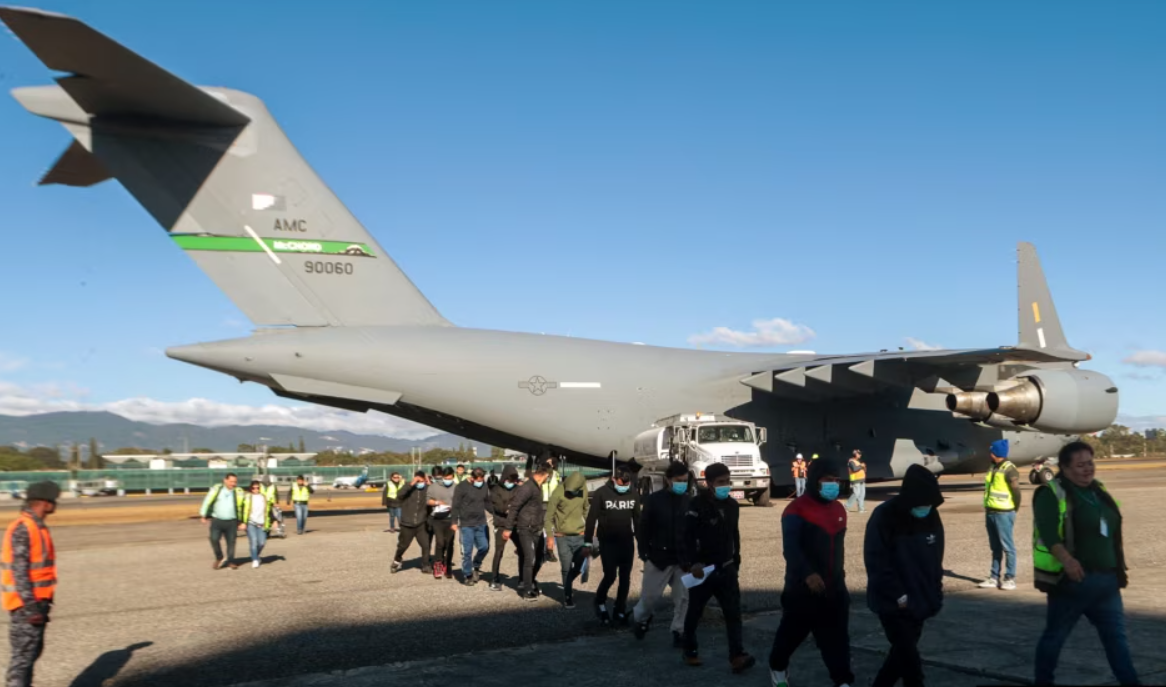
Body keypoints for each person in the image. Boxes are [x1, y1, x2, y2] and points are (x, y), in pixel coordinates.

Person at [1032, 441, 1138, 686]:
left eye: (1090, 463)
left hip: (1107, 583)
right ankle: (1043, 681)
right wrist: (1068, 561)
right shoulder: (1051, 493)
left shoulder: (1097, 490)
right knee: (1055, 637)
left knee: (1117, 640)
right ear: (1065, 468)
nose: (1087, 469)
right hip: (1073, 583)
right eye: (1080, 465)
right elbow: (1048, 535)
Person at [769, 458, 854, 687]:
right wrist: (808, 574)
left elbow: (838, 550)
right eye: (828, 480)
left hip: (834, 588)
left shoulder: (838, 509)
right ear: (815, 481)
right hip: (802, 590)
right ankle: (777, 668)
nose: (833, 484)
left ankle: (843, 681)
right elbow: (791, 549)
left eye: (836, 480)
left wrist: (839, 581)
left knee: (837, 641)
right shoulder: (795, 510)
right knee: (790, 636)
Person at [864, 464, 946, 687]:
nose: (925, 508)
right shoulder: (885, 516)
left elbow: (935, 557)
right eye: (922, 504)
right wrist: (898, 595)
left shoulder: (931, 515)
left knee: (900, 658)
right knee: (910, 663)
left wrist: (936, 590)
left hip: (921, 600)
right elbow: (876, 561)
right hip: (894, 603)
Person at [679, 463, 755, 673]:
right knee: (695, 612)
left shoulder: (732, 505)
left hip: (727, 568)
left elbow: (734, 534)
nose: (726, 486)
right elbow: (686, 536)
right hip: (703, 570)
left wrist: (736, 559)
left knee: (733, 613)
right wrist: (692, 562)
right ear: (709, 483)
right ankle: (690, 650)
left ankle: (737, 655)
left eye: (727, 481)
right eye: (721, 482)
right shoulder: (697, 504)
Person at [2, 481, 60, 687]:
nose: (56, 504)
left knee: (30, 654)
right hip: (27, 606)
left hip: (37, 603)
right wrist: (31, 607)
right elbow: (20, 571)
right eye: (54, 500)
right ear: (44, 503)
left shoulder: (37, 527)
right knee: (22, 659)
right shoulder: (24, 528)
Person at [633, 461, 691, 648]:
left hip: (682, 560)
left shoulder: (689, 501)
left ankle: (679, 630)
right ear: (668, 480)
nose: (682, 483)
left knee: (683, 598)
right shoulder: (654, 500)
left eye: (685, 480)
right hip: (658, 558)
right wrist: (644, 552)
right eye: (678, 480)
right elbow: (643, 528)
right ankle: (641, 619)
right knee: (649, 598)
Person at [585, 465, 642, 627]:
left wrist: (642, 544)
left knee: (625, 578)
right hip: (608, 542)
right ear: (613, 479)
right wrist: (588, 541)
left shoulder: (633, 494)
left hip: (626, 542)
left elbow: (638, 521)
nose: (624, 486)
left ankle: (620, 608)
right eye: (621, 482)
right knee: (610, 575)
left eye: (627, 483)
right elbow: (591, 519)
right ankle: (600, 601)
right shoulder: (601, 493)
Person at [501, 462, 551, 601]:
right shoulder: (527, 488)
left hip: (536, 527)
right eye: (548, 477)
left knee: (540, 557)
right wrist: (508, 528)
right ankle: (526, 589)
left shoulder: (537, 487)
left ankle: (530, 580)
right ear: (545, 476)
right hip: (525, 528)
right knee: (530, 558)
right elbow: (514, 508)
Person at [545, 469, 590, 608]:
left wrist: (591, 529)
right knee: (565, 567)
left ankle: (568, 584)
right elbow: (548, 517)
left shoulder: (583, 490)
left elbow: (586, 510)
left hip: (580, 536)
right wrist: (550, 537)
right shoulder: (558, 492)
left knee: (579, 566)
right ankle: (568, 596)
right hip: (562, 537)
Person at [979, 438, 1021, 591]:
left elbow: (1016, 492)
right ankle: (993, 577)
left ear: (996, 453)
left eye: (991, 451)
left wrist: (1013, 509)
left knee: (1008, 547)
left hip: (1004, 513)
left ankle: (1010, 578)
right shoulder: (993, 467)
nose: (989, 453)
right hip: (990, 512)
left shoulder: (1010, 469)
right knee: (995, 547)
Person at [452, 468, 492, 586]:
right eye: (478, 480)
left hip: (481, 522)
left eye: (482, 479)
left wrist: (497, 513)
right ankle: (467, 574)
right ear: (472, 478)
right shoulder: (461, 487)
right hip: (466, 524)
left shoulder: (484, 485)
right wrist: (454, 521)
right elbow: (456, 505)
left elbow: (487, 502)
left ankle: (476, 565)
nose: (481, 482)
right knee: (467, 552)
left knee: (484, 547)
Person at [489, 465, 525, 591]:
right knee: (499, 551)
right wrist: (510, 508)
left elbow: (520, 504)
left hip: (515, 524)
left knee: (522, 551)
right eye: (510, 480)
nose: (512, 483)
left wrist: (512, 508)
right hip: (501, 524)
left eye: (514, 480)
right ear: (505, 478)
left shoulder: (518, 489)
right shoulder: (495, 490)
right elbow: (499, 507)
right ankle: (494, 578)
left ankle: (522, 579)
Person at [199, 473, 245, 570]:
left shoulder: (238, 492)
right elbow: (207, 501)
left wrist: (242, 522)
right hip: (217, 521)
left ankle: (231, 561)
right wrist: (203, 514)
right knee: (214, 539)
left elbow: (243, 507)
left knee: (231, 542)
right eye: (231, 481)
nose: (233, 484)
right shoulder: (217, 489)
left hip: (232, 521)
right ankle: (219, 557)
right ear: (225, 480)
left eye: (235, 482)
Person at [391, 471, 432, 574]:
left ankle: (425, 565)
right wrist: (411, 484)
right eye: (418, 481)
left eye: (421, 481)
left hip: (421, 523)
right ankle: (397, 559)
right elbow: (399, 495)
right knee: (403, 546)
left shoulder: (426, 489)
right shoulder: (408, 487)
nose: (420, 483)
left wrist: (428, 481)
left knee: (426, 545)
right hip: (407, 524)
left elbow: (434, 493)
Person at [428, 467, 458, 580]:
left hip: (451, 519)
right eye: (445, 478)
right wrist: (437, 502)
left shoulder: (456, 487)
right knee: (440, 543)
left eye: (450, 478)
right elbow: (428, 500)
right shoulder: (434, 486)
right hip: (438, 519)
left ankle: (448, 565)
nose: (447, 480)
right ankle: (438, 565)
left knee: (450, 543)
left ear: (453, 477)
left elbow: (460, 501)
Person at [242, 480, 272, 568]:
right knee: (253, 541)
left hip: (262, 523)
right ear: (250, 488)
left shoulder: (264, 497)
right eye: (253, 488)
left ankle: (255, 555)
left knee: (262, 543)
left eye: (257, 487)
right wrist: (242, 522)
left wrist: (273, 521)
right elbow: (242, 508)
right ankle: (255, 559)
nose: (255, 489)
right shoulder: (247, 497)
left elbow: (268, 510)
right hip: (251, 523)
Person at [540, 453, 562, 564]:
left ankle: (550, 551)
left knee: (553, 528)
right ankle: (545, 550)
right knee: (544, 528)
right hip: (542, 503)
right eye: (546, 462)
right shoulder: (540, 474)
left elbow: (559, 487)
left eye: (550, 462)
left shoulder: (556, 474)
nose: (548, 464)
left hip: (553, 503)